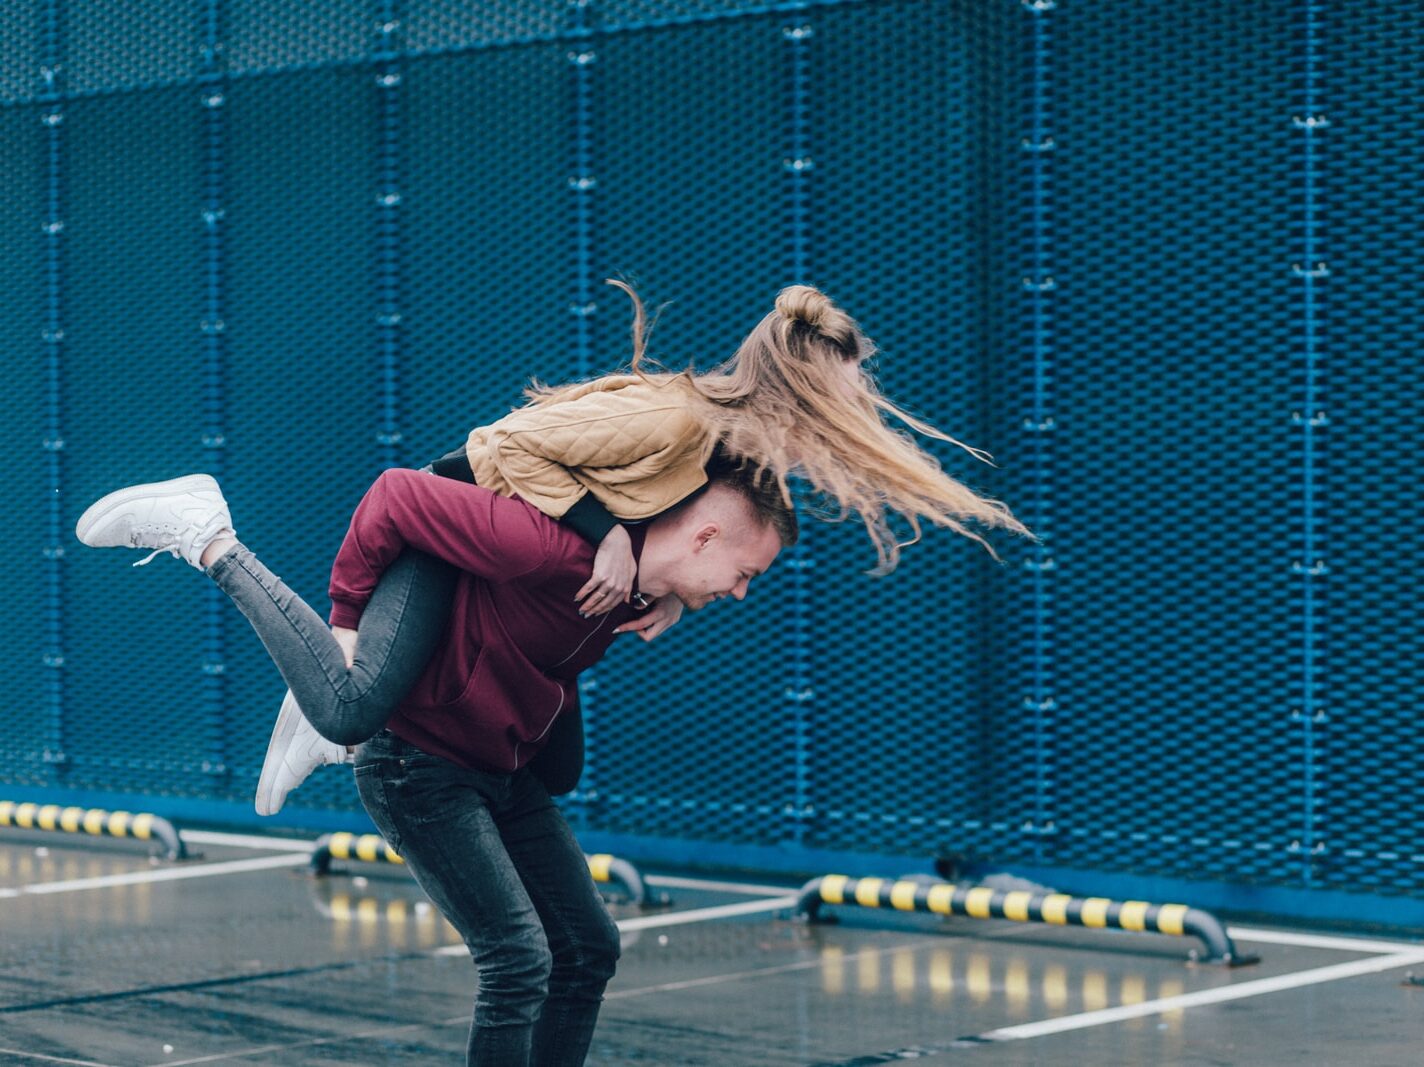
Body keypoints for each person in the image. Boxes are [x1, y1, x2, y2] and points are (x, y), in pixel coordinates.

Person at [77, 461, 797, 1067]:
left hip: (498, 766)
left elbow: (700, 513)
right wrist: (346, 633)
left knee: (587, 945)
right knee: (517, 958)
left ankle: (332, 702)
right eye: (744, 573)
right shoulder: (555, 550)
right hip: (417, 764)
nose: (739, 592)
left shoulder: (636, 583)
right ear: (704, 535)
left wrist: (668, 593)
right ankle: (212, 541)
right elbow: (397, 492)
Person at [244, 281, 1036, 813]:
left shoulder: (732, 458)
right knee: (352, 705)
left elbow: (688, 542)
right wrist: (603, 535)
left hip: (509, 558)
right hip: (449, 526)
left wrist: (666, 593)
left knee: (547, 771)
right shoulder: (679, 420)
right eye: (853, 391)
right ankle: (281, 642)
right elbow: (501, 445)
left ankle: (322, 707)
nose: (861, 407)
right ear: (804, 389)